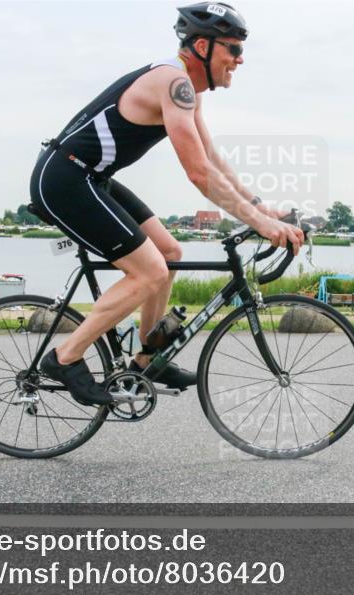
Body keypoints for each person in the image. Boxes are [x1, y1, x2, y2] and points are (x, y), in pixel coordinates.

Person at [29, 2, 304, 406]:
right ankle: (65, 357)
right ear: (203, 47)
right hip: (65, 179)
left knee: (170, 253)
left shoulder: (187, 89)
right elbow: (198, 173)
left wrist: (261, 209)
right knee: (149, 272)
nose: (240, 59)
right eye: (233, 49)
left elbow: (212, 158)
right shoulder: (173, 82)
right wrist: (262, 225)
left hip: (90, 177)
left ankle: (146, 359)